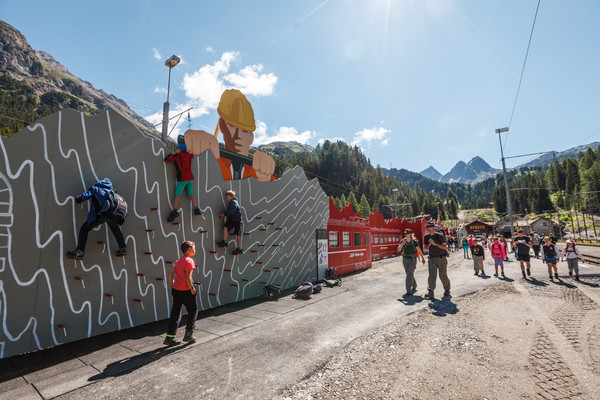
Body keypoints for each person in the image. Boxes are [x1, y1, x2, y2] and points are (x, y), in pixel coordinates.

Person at [182, 89, 276, 182]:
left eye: (244, 131)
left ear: (251, 137)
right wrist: (190, 151)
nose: (238, 135)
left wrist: (267, 181)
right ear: (222, 126)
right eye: (232, 126)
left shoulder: (259, 172)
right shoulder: (209, 161)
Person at [66, 179, 127, 260]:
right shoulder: (113, 193)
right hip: (113, 215)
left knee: (85, 228)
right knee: (116, 230)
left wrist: (78, 199)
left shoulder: (96, 189)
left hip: (102, 214)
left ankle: (80, 251)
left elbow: (83, 197)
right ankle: (123, 248)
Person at [164, 241, 198, 345]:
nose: (195, 250)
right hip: (186, 291)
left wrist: (174, 284)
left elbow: (170, 275)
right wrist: (192, 288)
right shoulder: (189, 261)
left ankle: (169, 338)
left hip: (176, 290)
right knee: (192, 310)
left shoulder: (178, 261)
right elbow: (187, 277)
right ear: (189, 250)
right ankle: (188, 335)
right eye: (194, 248)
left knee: (176, 313)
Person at [164, 144, 202, 222]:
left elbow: (166, 160)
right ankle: (196, 209)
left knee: (177, 194)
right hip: (190, 178)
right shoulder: (189, 155)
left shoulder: (177, 156)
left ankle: (174, 211)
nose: (176, 150)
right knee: (190, 194)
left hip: (182, 179)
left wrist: (171, 154)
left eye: (177, 149)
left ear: (180, 150)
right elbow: (193, 155)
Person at [423, 221, 450, 299]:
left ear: (434, 227)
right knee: (432, 275)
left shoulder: (440, 236)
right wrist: (430, 244)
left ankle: (447, 289)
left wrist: (435, 244)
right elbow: (425, 248)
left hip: (441, 258)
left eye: (431, 226)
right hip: (432, 258)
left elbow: (445, 247)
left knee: (442, 275)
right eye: (427, 226)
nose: (429, 228)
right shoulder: (426, 237)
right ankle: (430, 292)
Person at [397, 229, 425, 296]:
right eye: (404, 233)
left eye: (406, 233)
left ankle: (408, 290)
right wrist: (402, 244)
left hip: (412, 259)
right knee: (409, 273)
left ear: (410, 234)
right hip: (405, 259)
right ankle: (414, 285)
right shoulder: (402, 241)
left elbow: (419, 250)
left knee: (409, 274)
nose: (405, 234)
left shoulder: (414, 242)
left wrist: (423, 258)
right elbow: (398, 249)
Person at [217, 190, 243, 255]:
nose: (227, 199)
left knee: (238, 234)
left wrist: (225, 214)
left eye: (228, 197)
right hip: (232, 220)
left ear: (232, 196)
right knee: (225, 227)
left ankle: (240, 248)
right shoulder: (231, 202)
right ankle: (225, 241)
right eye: (226, 198)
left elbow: (232, 210)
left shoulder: (234, 202)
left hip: (237, 220)